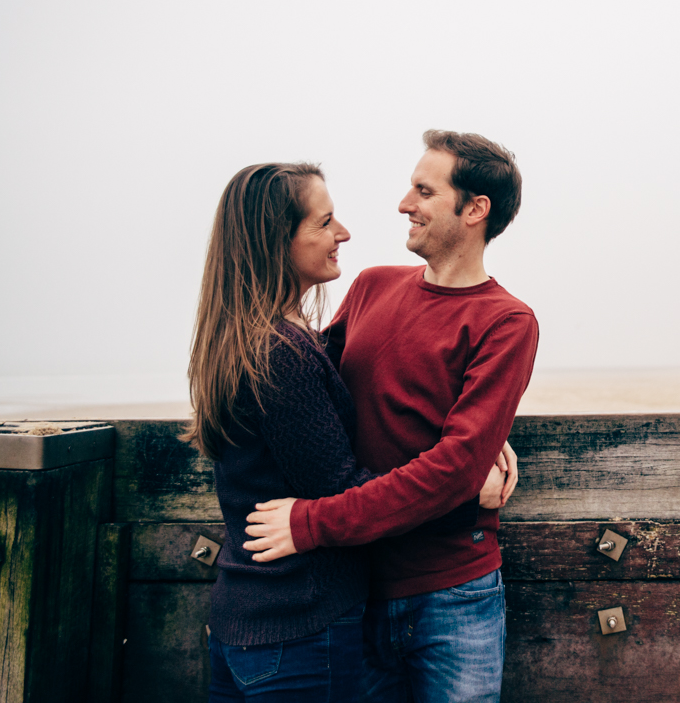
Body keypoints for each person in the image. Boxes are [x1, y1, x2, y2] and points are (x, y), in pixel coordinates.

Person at [183, 162, 514, 701]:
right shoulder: (289, 347)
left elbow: (337, 388)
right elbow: (331, 469)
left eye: (424, 190)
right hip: (301, 620)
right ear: (276, 241)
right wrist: (466, 494)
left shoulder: (252, 341)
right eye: (325, 222)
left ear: (475, 209)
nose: (344, 233)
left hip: (258, 614)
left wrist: (482, 437)